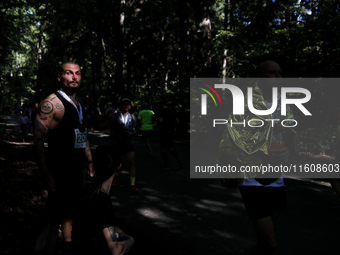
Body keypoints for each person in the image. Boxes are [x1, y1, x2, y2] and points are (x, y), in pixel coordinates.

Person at [219, 61, 292, 254]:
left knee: (264, 242)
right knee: (271, 244)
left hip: (276, 176)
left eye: (280, 72)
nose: (278, 77)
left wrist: (288, 151)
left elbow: (287, 135)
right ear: (259, 78)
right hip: (253, 178)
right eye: (272, 73)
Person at [34, 62, 95, 246]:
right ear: (60, 77)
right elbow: (37, 141)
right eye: (69, 73)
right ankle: (45, 248)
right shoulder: (51, 104)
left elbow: (82, 133)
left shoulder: (78, 102)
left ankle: (68, 245)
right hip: (59, 171)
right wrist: (45, 173)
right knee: (54, 214)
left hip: (77, 169)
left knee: (73, 211)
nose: (74, 77)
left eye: (77, 73)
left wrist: (89, 159)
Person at [72, 146, 134, 254]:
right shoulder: (103, 202)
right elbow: (115, 252)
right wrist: (130, 240)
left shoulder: (87, 191)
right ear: (118, 166)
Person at [110, 98, 138, 192]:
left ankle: (132, 184)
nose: (126, 105)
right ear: (121, 105)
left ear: (130, 106)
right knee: (116, 163)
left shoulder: (133, 117)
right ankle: (112, 179)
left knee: (131, 163)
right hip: (117, 142)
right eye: (124, 104)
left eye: (128, 104)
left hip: (128, 143)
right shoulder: (115, 116)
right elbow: (111, 127)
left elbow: (135, 130)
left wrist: (131, 133)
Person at [157, 102, 183, 169]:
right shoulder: (172, 111)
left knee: (163, 147)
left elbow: (160, 121)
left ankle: (166, 164)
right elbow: (177, 121)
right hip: (171, 131)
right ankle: (178, 157)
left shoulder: (161, 111)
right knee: (170, 147)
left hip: (163, 131)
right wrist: (173, 126)